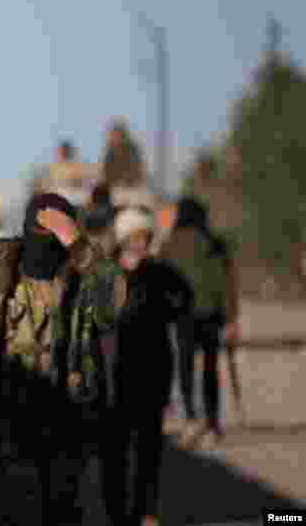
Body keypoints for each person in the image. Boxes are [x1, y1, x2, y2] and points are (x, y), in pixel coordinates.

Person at [0, 193, 121, 526]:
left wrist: (76, 242)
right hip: (6, 426)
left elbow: (116, 300)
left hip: (67, 426)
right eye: (44, 230)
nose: (48, 244)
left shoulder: (80, 276)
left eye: (58, 234)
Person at [102, 208, 192, 526]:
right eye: (138, 235)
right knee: (114, 453)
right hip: (113, 379)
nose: (143, 241)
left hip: (151, 375)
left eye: (146, 235)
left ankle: (147, 512)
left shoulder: (160, 273)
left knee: (148, 451)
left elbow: (185, 301)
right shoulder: (106, 273)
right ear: (124, 238)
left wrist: (166, 310)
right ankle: (117, 513)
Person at [158, 196, 239, 449]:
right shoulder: (216, 243)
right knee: (210, 369)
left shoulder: (170, 244)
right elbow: (227, 283)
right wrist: (231, 317)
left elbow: (162, 281)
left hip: (183, 315)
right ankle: (213, 424)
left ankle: (191, 419)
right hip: (211, 316)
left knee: (184, 368)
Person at [102, 120, 146, 190]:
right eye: (112, 135)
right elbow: (106, 170)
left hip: (131, 185)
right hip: (115, 186)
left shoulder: (131, 148)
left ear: (122, 135)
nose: (114, 138)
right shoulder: (110, 150)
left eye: (116, 135)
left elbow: (135, 169)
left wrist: (125, 182)